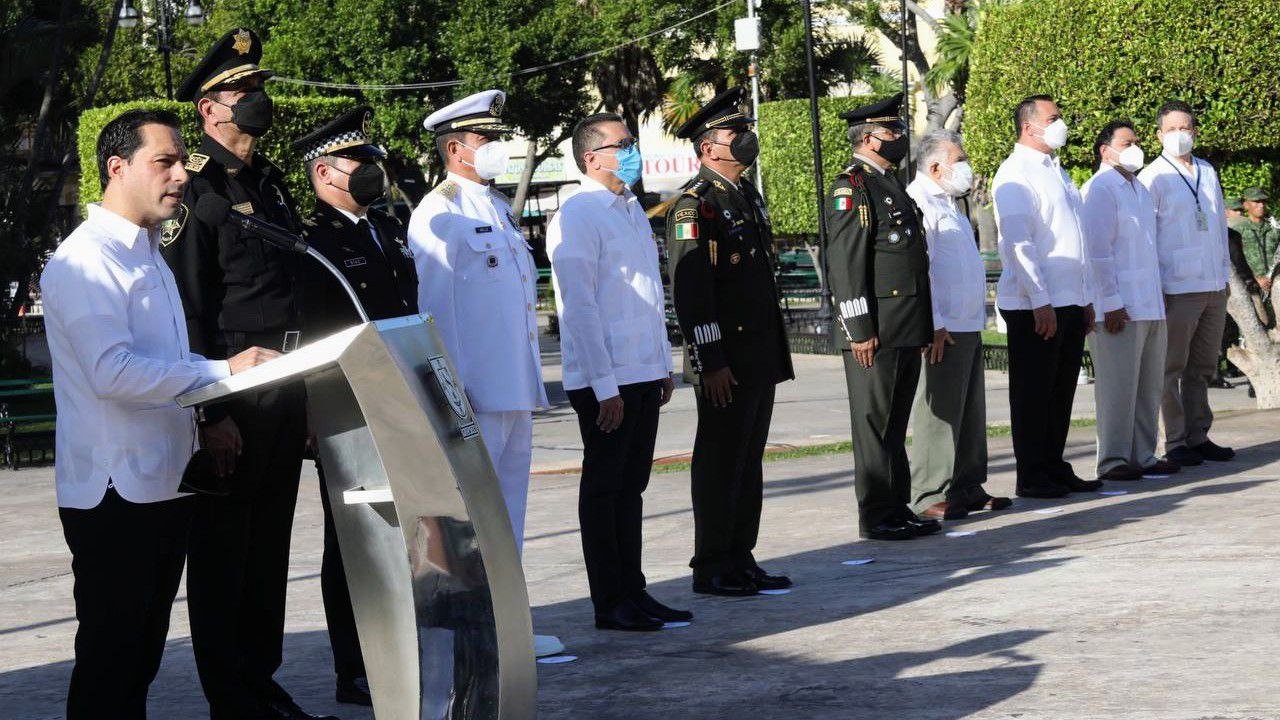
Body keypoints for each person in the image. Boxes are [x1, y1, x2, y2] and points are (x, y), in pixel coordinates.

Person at [41, 108, 276, 720]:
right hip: (115, 491)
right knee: (112, 661)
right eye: (164, 162)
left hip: (164, 481)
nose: (180, 176)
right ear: (117, 168)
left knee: (139, 658)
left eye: (182, 162)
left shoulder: (147, 253)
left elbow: (166, 361)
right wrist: (224, 372)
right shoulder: (86, 260)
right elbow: (112, 373)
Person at [161, 29, 331, 720]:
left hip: (288, 381)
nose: (258, 101)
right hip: (235, 390)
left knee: (268, 549)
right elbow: (189, 309)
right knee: (227, 553)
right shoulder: (196, 192)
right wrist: (210, 412)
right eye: (243, 91)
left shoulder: (269, 183)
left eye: (259, 89)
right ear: (209, 109)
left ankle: (263, 683)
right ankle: (232, 697)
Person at [407, 89, 563, 658]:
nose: (498, 148)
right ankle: (477, 633)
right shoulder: (439, 212)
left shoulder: (493, 207)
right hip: (474, 391)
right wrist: (452, 392)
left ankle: (507, 628)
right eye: (486, 139)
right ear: (456, 148)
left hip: (512, 386)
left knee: (507, 514)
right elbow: (436, 312)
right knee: (475, 519)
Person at [291, 106, 418, 706]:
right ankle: (356, 664)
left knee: (407, 526)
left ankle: (405, 643)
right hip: (348, 407)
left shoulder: (389, 230)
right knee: (354, 540)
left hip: (402, 398)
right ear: (324, 173)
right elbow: (314, 334)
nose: (370, 171)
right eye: (357, 163)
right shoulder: (314, 243)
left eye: (373, 161)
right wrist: (314, 415)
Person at [546, 112, 690, 631]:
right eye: (622, 143)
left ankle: (635, 589)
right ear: (592, 157)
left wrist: (660, 366)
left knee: (632, 488)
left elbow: (646, 297)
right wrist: (605, 386)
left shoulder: (628, 207)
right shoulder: (579, 212)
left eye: (631, 141)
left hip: (640, 371)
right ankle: (610, 600)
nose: (632, 150)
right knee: (605, 490)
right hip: (603, 378)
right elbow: (579, 307)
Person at [666, 87, 794, 595]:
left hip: (758, 353)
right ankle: (712, 564)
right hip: (727, 359)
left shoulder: (745, 195)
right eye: (733, 133)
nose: (744, 139)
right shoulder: (693, 205)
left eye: (744, 130)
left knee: (748, 457)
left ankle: (741, 555)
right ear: (707, 148)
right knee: (720, 460)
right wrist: (711, 360)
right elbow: (692, 293)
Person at [823, 94, 941, 540]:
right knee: (875, 426)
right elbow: (847, 265)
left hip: (905, 325)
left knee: (894, 424)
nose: (899, 139)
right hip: (876, 329)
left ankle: (898, 505)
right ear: (870, 139)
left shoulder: (889, 183)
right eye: (892, 133)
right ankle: (876, 514)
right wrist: (859, 328)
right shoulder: (852, 187)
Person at [993, 95, 1101, 499]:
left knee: (1061, 391)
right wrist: (1040, 299)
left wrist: (1085, 297)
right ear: (1029, 127)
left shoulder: (1057, 170)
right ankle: (1032, 474)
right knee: (1034, 393)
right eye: (1053, 118)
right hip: (1035, 304)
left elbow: (1076, 240)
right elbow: (1018, 244)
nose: (1061, 124)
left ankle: (1054, 464)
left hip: (1069, 298)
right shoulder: (1014, 174)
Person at [904, 129, 1011, 521]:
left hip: (967, 322)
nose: (965, 167)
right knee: (939, 412)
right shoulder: (919, 203)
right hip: (942, 325)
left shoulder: (951, 204)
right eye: (959, 160)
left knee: (969, 411)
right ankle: (929, 491)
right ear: (935, 166)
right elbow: (922, 270)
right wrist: (932, 322)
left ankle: (967, 485)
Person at [1081, 120, 1181, 482]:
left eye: (1138, 141)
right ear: (1106, 150)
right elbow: (1098, 252)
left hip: (1150, 304)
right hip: (1119, 308)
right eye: (1127, 142)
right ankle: (1113, 458)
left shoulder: (1138, 188)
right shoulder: (1100, 189)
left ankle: (1144, 454)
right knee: (1118, 387)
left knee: (1147, 386)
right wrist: (1110, 303)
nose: (1136, 147)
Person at [1138, 101, 1234, 466]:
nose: (1181, 134)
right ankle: (1175, 441)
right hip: (1177, 287)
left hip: (1212, 285)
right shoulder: (1153, 176)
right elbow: (1147, 236)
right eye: (1173, 129)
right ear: (1159, 135)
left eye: (1187, 127)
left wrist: (1223, 277)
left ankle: (1198, 435)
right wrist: (1157, 287)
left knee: (1203, 367)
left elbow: (1217, 228)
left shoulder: (1207, 171)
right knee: (1170, 368)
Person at [1237, 187, 1280, 291]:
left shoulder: (1275, 228)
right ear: (1246, 205)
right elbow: (1235, 261)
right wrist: (1255, 279)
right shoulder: (1237, 231)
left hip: (1276, 285)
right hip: (1251, 288)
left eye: (1263, 201)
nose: (1261, 205)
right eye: (1256, 201)